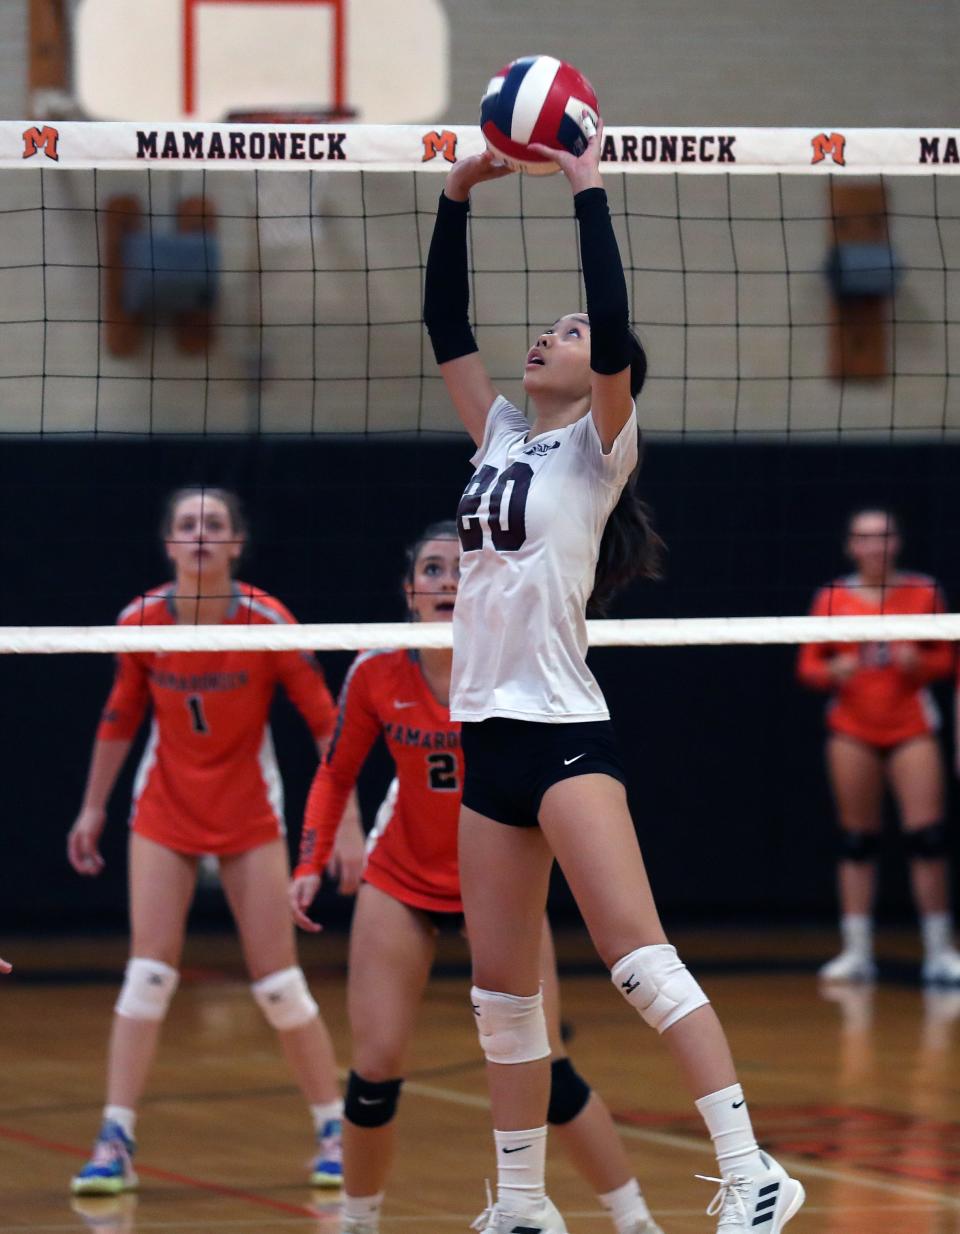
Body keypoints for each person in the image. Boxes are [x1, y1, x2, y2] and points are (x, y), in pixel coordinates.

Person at [422, 129, 806, 1234]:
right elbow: (447, 323)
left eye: (571, 332)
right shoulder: (498, 431)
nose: (550, 335)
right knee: (502, 998)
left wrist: (587, 187)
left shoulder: (600, 448)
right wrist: (457, 194)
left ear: (607, 373)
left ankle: (753, 1172)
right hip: (486, 731)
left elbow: (619, 323)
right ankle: (522, 1204)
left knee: (637, 962)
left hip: (564, 734)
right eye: (548, 328)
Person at [290, 521, 663, 1234]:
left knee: (549, 1072)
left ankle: (635, 1220)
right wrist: (308, 862)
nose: (447, 583)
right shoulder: (377, 670)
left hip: (501, 887)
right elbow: (335, 773)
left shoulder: (519, 669)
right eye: (431, 570)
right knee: (373, 1075)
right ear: (409, 589)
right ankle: (358, 1222)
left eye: (461, 571)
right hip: (401, 880)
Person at [66, 487, 364, 1196]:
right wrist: (91, 809)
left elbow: (330, 724)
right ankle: (116, 1137)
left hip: (247, 812)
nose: (201, 535)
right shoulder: (140, 620)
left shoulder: (266, 620)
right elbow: (119, 716)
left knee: (280, 984)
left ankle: (332, 1128)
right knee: (148, 974)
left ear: (237, 544)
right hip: (164, 808)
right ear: (169, 544)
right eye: (188, 525)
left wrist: (345, 821)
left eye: (215, 525)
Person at [798, 507, 958, 983]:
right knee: (857, 842)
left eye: (883, 536)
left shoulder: (923, 591)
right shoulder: (832, 597)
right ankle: (857, 952)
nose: (875, 545)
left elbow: (947, 658)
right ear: (851, 545)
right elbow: (807, 666)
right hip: (852, 727)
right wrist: (833, 672)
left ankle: (938, 952)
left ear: (897, 542)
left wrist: (919, 664)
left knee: (928, 839)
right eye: (865, 538)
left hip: (911, 725)